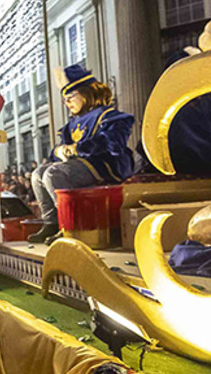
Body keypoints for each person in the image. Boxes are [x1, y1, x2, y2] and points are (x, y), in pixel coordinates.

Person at [29, 65, 135, 244]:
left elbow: (113, 143)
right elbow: (56, 151)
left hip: (103, 165)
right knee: (38, 174)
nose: (67, 103)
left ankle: (68, 225)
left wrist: (77, 149)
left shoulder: (109, 115)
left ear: (86, 93)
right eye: (65, 100)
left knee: (54, 174)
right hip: (77, 164)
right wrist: (60, 151)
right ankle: (51, 222)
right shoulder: (73, 123)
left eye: (71, 97)